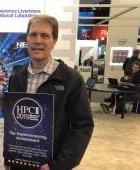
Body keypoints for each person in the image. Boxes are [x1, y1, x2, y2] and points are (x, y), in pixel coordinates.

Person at [5, 15, 94, 170]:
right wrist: (9, 155)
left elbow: (83, 126)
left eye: (45, 35)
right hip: (19, 163)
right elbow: (13, 123)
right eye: (33, 34)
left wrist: (59, 165)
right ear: (27, 39)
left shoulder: (71, 79)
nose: (38, 40)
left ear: (54, 41)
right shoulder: (16, 77)